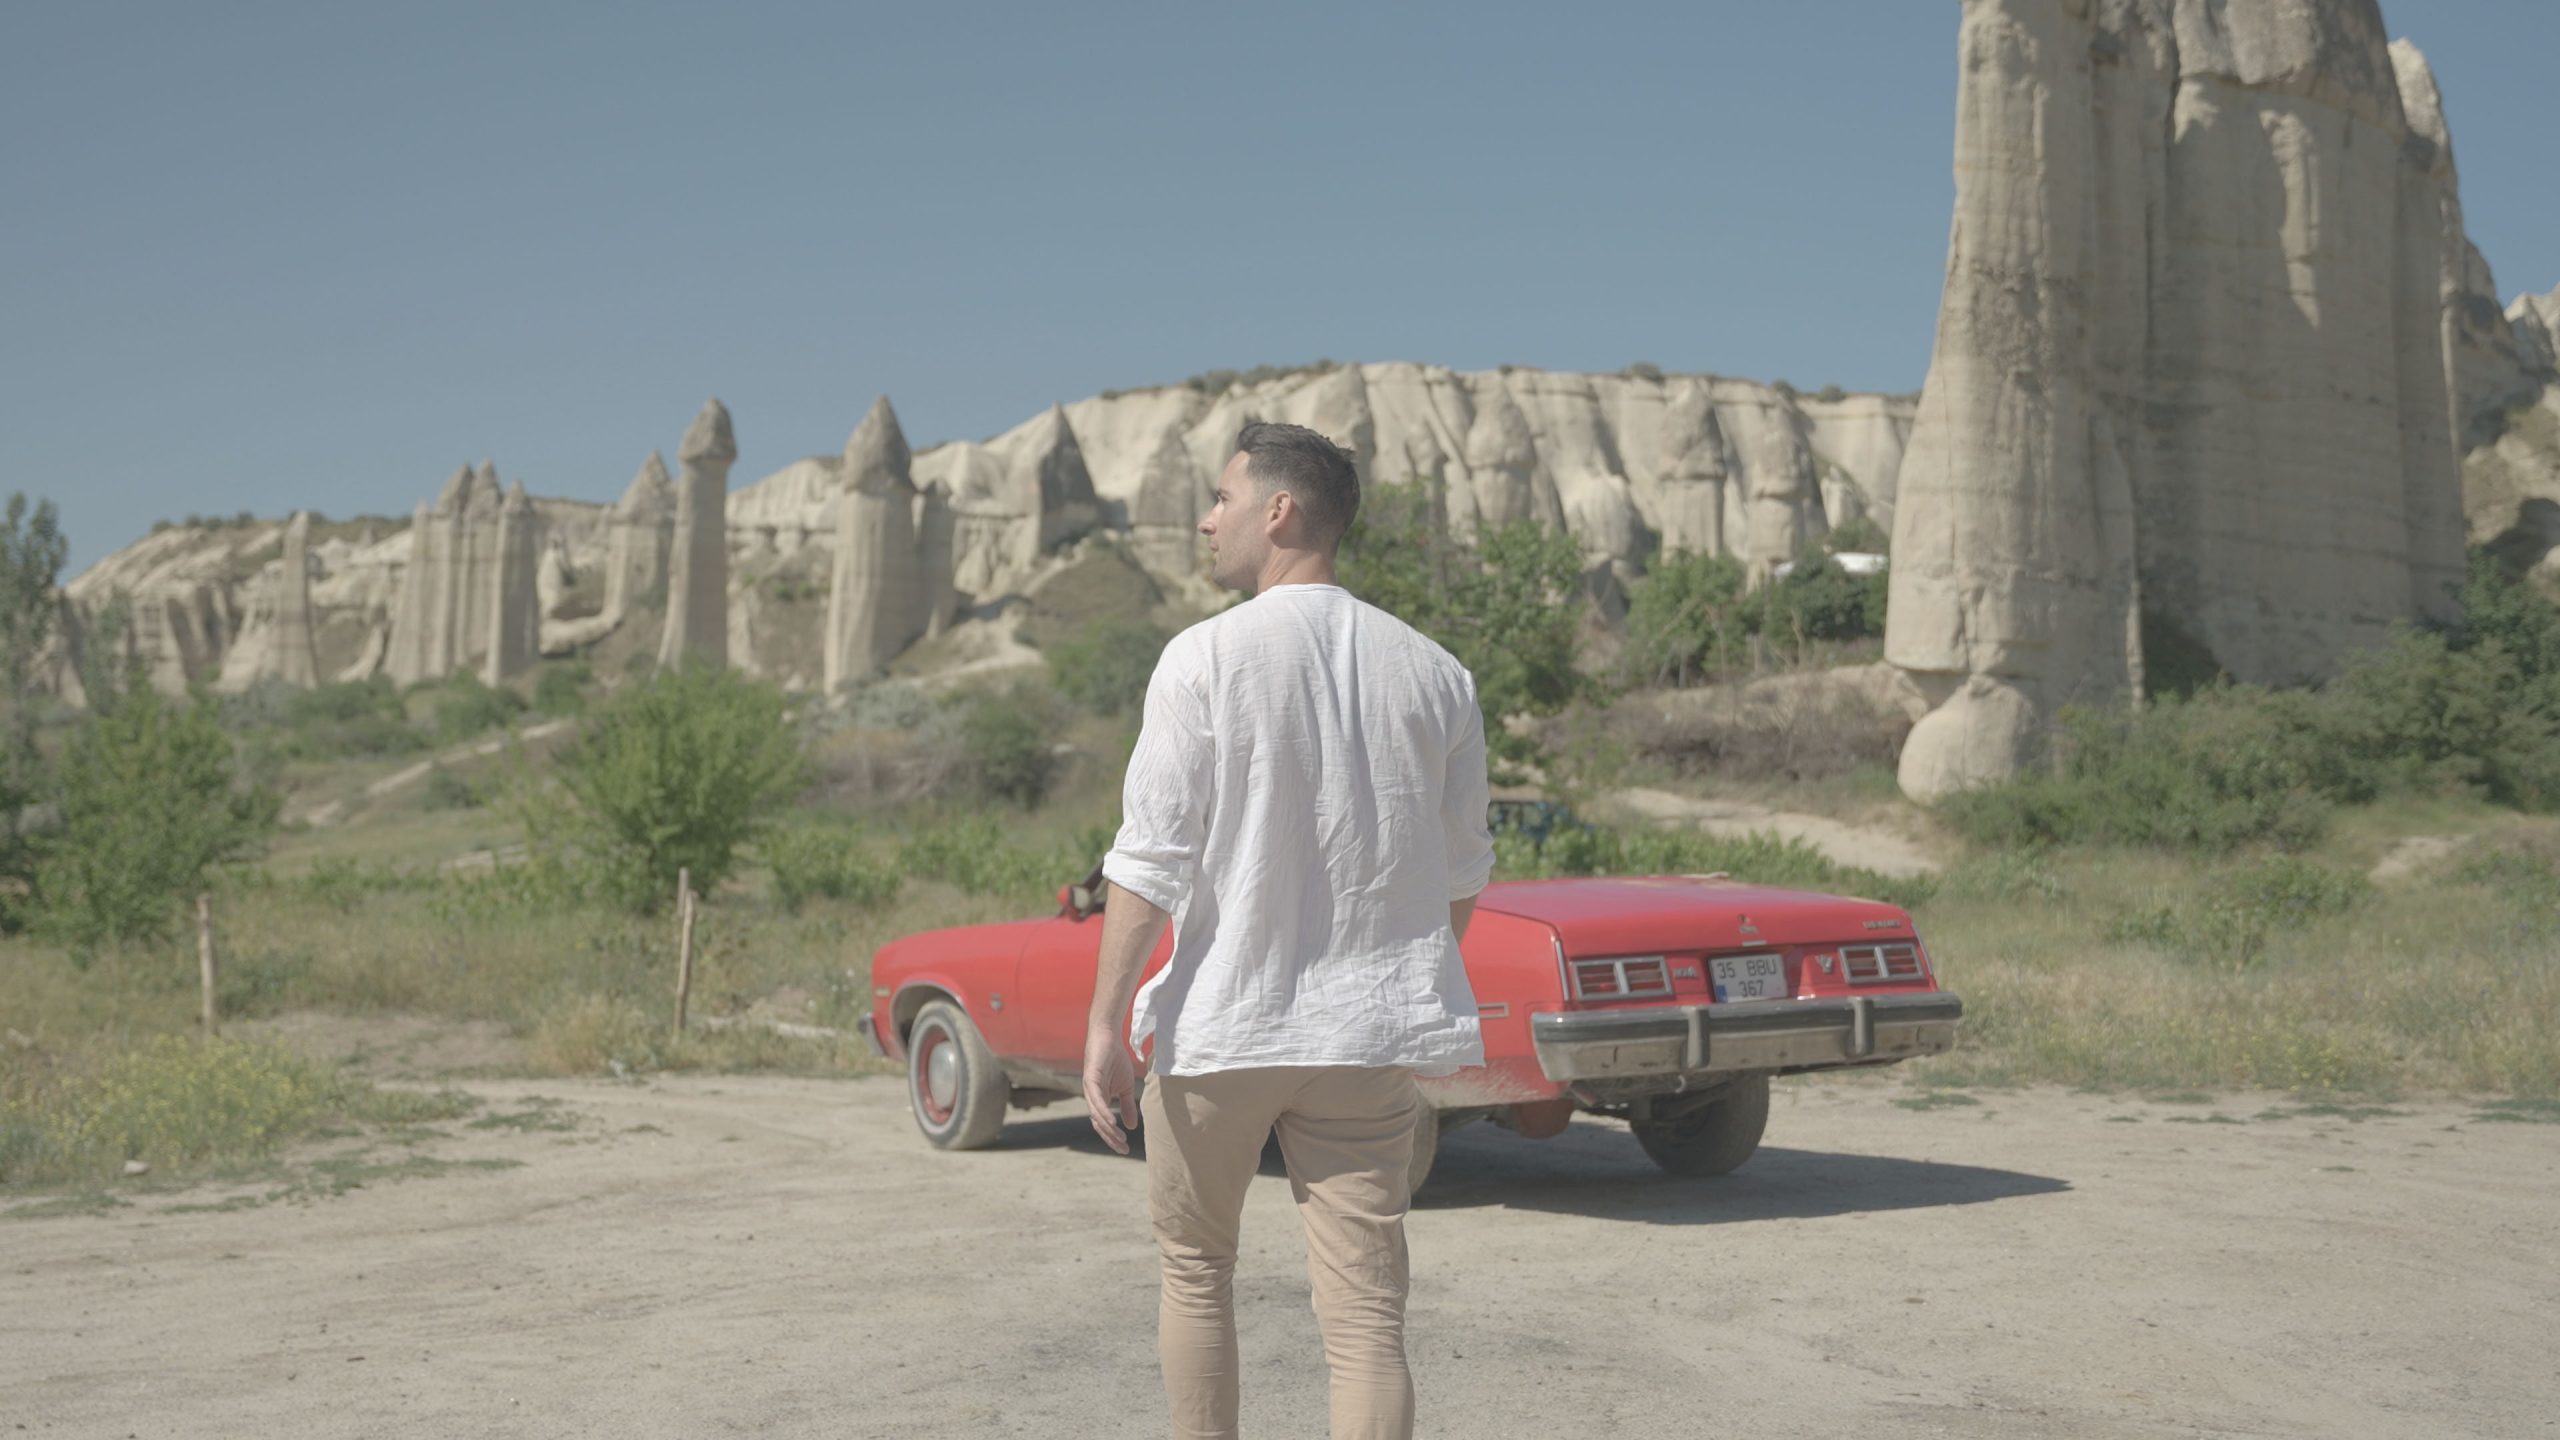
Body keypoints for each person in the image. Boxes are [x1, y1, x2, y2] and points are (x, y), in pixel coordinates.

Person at [1081, 420, 1495, 1440]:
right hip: (1363, 1039)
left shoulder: (1203, 657)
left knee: (1195, 1271)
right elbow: (1461, 875)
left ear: (1279, 510)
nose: (1206, 519)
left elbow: (1148, 859)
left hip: (1224, 1025)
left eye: (1222, 498)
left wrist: (1102, 1027)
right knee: (1366, 1319)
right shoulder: (1436, 673)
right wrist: (1402, 978)